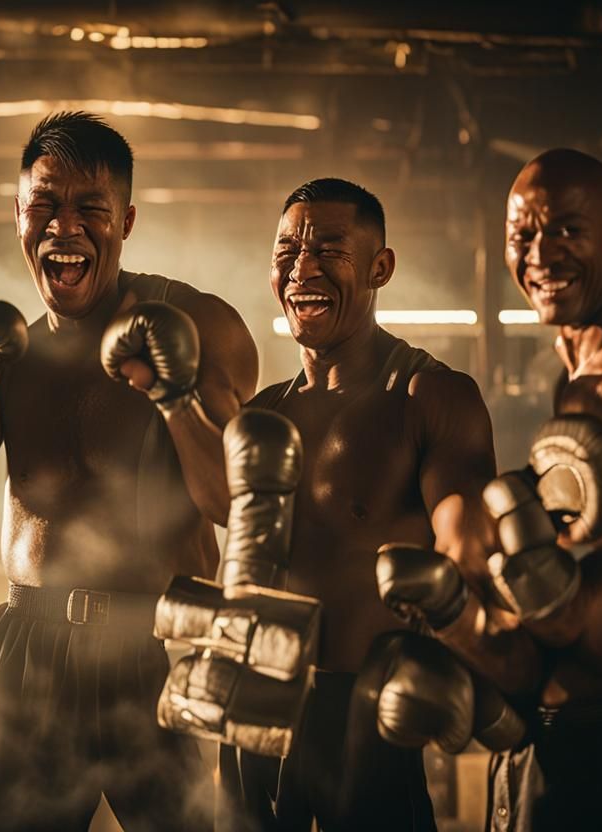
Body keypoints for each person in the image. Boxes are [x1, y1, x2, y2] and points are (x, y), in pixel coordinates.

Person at [0, 111, 258, 831]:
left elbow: (238, 504)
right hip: (28, 641)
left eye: (88, 209)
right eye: (42, 206)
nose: (62, 227)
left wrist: (174, 394)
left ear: (126, 220)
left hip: (159, 642)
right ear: (17, 215)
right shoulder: (9, 349)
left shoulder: (199, 322)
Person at [217, 177, 512, 831]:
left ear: (381, 266)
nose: (303, 268)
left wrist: (458, 623)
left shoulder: (429, 396)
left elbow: (463, 536)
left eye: (328, 248)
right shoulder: (264, 414)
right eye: (287, 250)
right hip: (257, 707)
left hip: (369, 712)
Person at [487, 148, 602, 832]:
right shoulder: (573, 373)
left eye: (567, 230)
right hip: (559, 730)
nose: (540, 254)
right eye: (523, 235)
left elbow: (570, 610)